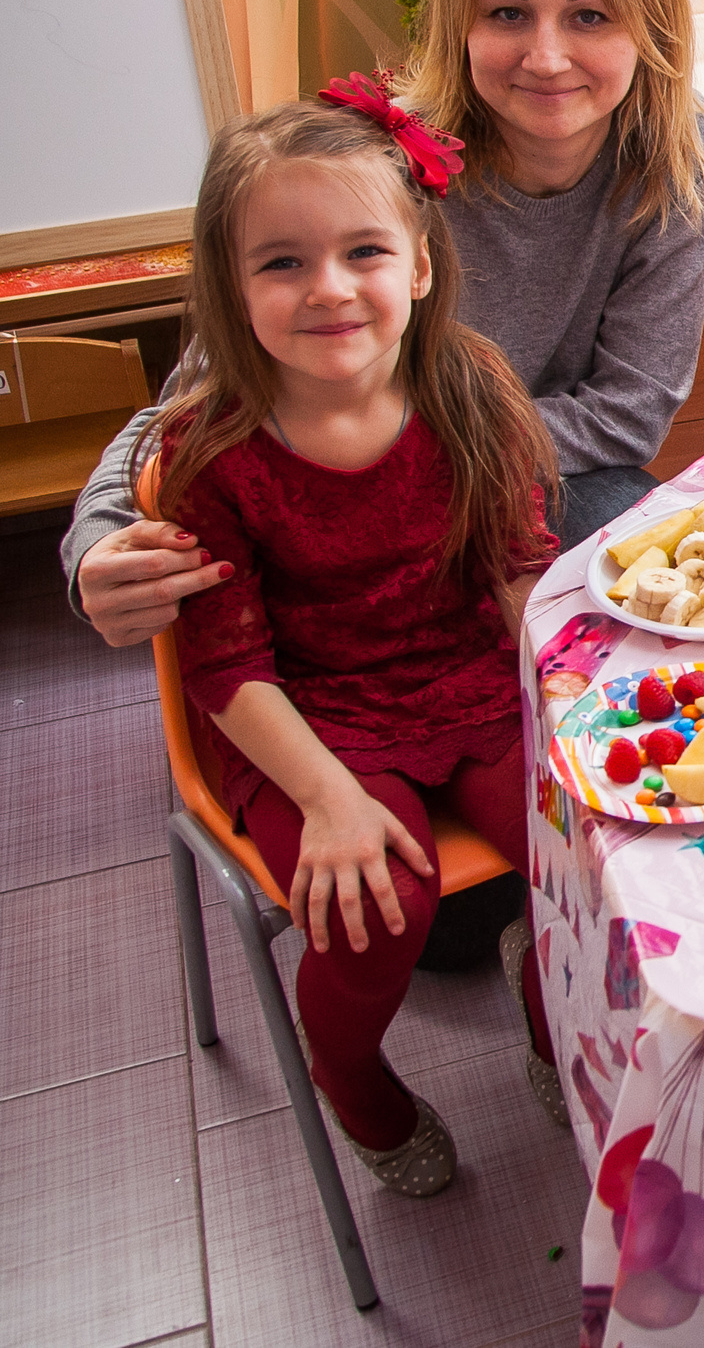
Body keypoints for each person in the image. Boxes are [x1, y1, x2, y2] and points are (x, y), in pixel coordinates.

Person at [66, 0, 704, 645]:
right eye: (507, 14)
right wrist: (99, 537)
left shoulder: (681, 151)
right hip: (338, 490)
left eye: (590, 16)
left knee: (654, 564)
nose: (546, 57)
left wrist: (430, 465)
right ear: (459, 23)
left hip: (529, 473)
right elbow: (194, 395)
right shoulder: (375, 162)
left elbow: (627, 415)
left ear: (651, 27)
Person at [145, 85, 562, 1196]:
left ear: (419, 264)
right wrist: (327, 796)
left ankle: (552, 1015)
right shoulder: (210, 451)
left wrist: (569, 699)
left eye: (362, 251)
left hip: (473, 679)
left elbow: (518, 571)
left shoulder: (470, 388)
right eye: (282, 263)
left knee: (590, 849)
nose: (328, 287)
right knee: (378, 907)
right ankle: (351, 1076)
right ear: (231, 285)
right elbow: (225, 665)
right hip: (307, 716)